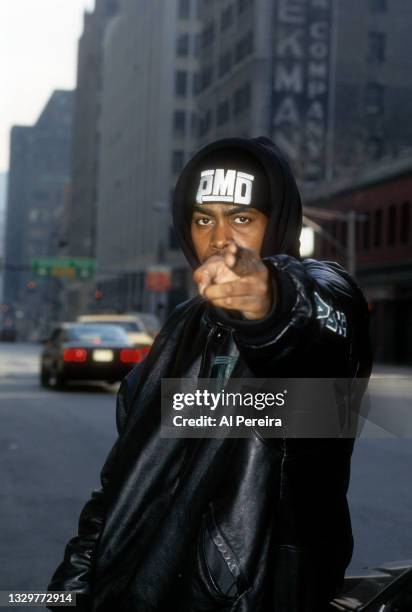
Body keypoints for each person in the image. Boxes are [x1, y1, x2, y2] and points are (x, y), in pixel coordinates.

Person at [47, 137, 372, 612]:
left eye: (242, 218)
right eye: (204, 219)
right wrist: (74, 584)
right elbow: (122, 479)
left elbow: (312, 323)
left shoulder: (324, 290)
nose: (220, 238)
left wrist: (271, 303)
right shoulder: (182, 327)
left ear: (276, 221)